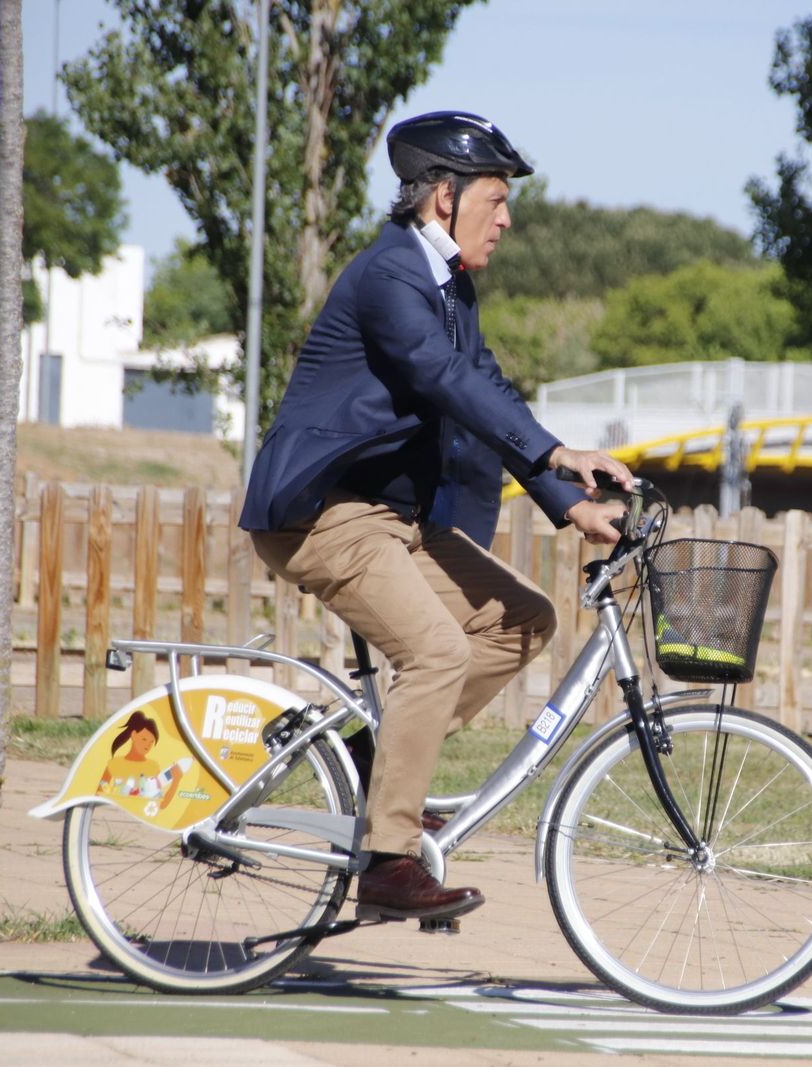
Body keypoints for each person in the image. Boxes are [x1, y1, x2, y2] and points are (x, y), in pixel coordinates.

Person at [239, 111, 632, 923]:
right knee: (437, 652)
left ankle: (371, 769)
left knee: (522, 619)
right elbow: (445, 378)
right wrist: (559, 453)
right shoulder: (391, 277)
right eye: (496, 198)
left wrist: (572, 502)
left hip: (387, 518)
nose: (509, 217)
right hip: (321, 513)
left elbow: (486, 386)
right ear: (443, 197)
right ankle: (386, 861)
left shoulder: (450, 286)